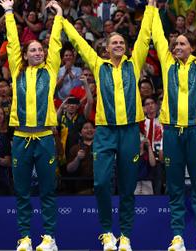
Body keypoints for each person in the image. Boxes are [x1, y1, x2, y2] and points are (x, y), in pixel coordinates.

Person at [61, 1, 156, 250]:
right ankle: (106, 232)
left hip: (129, 132)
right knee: (101, 182)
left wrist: (151, 9)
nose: (118, 45)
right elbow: (80, 44)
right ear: (106, 46)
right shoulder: (98, 64)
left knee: (127, 186)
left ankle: (124, 235)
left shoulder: (133, 65)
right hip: (104, 131)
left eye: (121, 43)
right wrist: (62, 19)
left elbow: (145, 36)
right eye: (114, 42)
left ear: (125, 48)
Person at [151, 0, 196, 249]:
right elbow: (158, 36)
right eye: (175, 44)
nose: (176, 46)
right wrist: (151, 7)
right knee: (174, 188)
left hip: (194, 133)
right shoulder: (167, 63)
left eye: (182, 43)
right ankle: (178, 237)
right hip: (171, 132)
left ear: (192, 47)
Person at [0, 0, 63, 250]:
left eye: (40, 50)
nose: (38, 53)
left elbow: (55, 42)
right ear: (25, 55)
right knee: (22, 192)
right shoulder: (17, 70)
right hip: (21, 138)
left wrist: (58, 16)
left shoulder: (51, 70)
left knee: (47, 191)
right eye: (33, 50)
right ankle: (24, 237)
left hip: (45, 138)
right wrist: (8, 12)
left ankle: (49, 238)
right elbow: (13, 41)